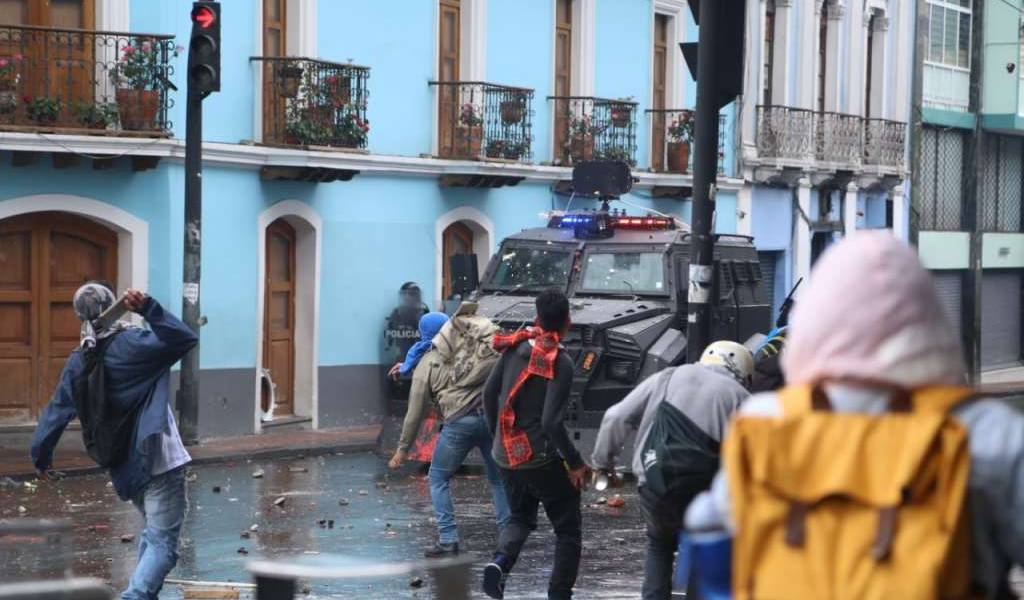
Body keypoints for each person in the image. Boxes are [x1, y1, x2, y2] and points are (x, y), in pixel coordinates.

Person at [686, 231, 1024, 599]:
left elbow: (709, 532)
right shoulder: (986, 433)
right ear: (931, 322)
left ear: (816, 321)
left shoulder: (765, 422)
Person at [30, 284, 198, 600]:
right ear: (112, 307)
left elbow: (55, 412)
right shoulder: (134, 345)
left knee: (154, 533)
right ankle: (134, 596)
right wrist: (148, 307)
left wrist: (41, 457)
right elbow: (185, 338)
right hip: (159, 457)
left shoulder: (78, 361)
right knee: (163, 544)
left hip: (123, 464)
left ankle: (143, 594)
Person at [591, 341, 752, 600]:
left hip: (656, 483)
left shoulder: (668, 376)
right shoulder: (741, 397)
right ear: (743, 372)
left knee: (660, 546)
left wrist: (602, 465)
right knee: (704, 547)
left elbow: (615, 417)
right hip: (706, 490)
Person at [481, 290, 590, 600]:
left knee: (519, 517)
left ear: (537, 318)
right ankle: (558, 594)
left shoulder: (513, 349)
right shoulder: (562, 361)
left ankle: (500, 564)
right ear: (568, 322)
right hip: (540, 458)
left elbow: (489, 396)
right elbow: (551, 423)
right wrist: (575, 462)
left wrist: (498, 437)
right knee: (568, 530)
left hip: (506, 454)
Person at [388, 311, 511, 557]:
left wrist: (403, 449)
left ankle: (448, 539)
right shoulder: (474, 349)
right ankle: (509, 537)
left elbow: (415, 411)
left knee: (438, 478)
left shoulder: (427, 361)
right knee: (498, 480)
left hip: (458, 425)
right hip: (489, 420)